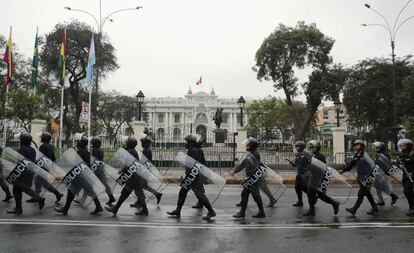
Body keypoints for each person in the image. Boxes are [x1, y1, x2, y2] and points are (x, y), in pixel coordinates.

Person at [167, 134, 216, 220]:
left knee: (200, 195)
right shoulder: (194, 150)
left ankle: (211, 211)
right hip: (192, 175)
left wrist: (190, 176)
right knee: (183, 192)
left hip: (193, 176)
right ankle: (178, 210)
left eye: (186, 141)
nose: (185, 143)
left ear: (190, 143)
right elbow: (203, 163)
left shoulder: (194, 151)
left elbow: (194, 165)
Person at [54, 133, 103, 215]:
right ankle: (98, 206)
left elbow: (77, 166)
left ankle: (65, 209)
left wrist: (70, 175)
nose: (76, 143)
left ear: (81, 143)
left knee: (71, 191)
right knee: (89, 191)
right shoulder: (86, 152)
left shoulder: (80, 152)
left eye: (77, 141)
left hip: (80, 176)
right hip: (84, 175)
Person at [105, 136, 149, 216]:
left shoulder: (130, 152)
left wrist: (123, 169)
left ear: (130, 144)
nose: (125, 144)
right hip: (135, 175)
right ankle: (144, 210)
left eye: (126, 143)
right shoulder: (132, 151)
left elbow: (128, 163)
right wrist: (123, 170)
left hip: (134, 176)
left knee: (126, 193)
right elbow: (129, 163)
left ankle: (115, 209)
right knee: (137, 193)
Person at [7, 133, 45, 215]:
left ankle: (37, 200)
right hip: (29, 172)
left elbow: (21, 162)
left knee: (19, 190)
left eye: (21, 139)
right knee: (22, 189)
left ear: (23, 140)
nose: (20, 140)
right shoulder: (32, 149)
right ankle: (18, 208)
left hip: (22, 172)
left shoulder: (22, 149)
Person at [341, 140, 378, 216]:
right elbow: (351, 164)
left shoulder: (366, 155)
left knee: (361, 194)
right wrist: (343, 171)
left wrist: (369, 175)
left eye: (357, 145)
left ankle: (354, 209)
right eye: (355, 145)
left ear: (361, 146)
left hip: (367, 177)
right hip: (360, 177)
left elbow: (373, 166)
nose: (355, 146)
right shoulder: (357, 155)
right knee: (367, 193)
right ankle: (374, 207)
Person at [231, 137, 266, 218]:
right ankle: (258, 212)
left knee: (253, 195)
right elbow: (243, 164)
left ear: (252, 146)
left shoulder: (255, 154)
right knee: (247, 194)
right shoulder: (250, 153)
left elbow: (255, 165)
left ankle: (245, 212)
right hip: (251, 178)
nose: (246, 146)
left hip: (254, 178)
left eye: (248, 145)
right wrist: (234, 171)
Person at [303, 140, 339, 216]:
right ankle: (312, 211)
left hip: (318, 179)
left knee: (321, 196)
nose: (312, 148)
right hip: (313, 178)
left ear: (317, 148)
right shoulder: (313, 156)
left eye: (314, 147)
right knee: (310, 194)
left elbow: (322, 168)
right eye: (311, 147)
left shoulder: (320, 156)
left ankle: (334, 203)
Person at [27, 132, 63, 204]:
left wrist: (36, 166)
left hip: (43, 167)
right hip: (47, 166)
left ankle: (36, 197)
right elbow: (53, 158)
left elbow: (40, 157)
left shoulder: (43, 146)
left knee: (38, 182)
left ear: (45, 138)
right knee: (44, 183)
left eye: (42, 137)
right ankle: (58, 194)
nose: (41, 138)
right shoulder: (50, 146)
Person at [130, 134, 162, 207]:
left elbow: (143, 162)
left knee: (139, 186)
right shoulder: (146, 149)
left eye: (142, 143)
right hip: (146, 170)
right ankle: (157, 194)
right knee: (142, 186)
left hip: (145, 170)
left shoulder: (146, 150)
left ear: (146, 143)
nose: (141, 144)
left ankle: (140, 202)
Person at [90, 136, 116, 205]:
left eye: (92, 143)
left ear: (95, 144)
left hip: (96, 168)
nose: (91, 144)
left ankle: (111, 198)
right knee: (104, 184)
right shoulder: (101, 150)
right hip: (101, 167)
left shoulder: (94, 150)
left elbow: (93, 160)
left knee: (89, 184)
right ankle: (111, 197)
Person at [372, 141, 399, 206]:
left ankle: (393, 196)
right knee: (377, 187)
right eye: (376, 147)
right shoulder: (377, 154)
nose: (376, 148)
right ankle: (381, 201)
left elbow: (386, 164)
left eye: (378, 147)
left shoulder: (385, 154)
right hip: (378, 172)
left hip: (383, 173)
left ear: (381, 147)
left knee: (384, 187)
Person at [290, 141, 312, 207]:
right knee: (297, 187)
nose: (296, 147)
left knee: (304, 187)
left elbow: (311, 161)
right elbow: (296, 164)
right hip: (299, 173)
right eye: (296, 146)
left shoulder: (306, 153)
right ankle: (300, 201)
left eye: (298, 146)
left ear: (302, 146)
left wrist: (308, 169)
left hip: (305, 174)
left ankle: (313, 197)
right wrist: (292, 163)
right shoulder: (298, 154)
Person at [397, 139, 414, 216]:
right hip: (405, 175)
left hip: (412, 176)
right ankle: (412, 206)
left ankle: (412, 208)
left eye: (402, 145)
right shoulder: (402, 154)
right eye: (400, 145)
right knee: (409, 192)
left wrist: (412, 173)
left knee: (407, 191)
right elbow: (399, 162)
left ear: (407, 145)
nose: (401, 147)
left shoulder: (412, 154)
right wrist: (399, 165)